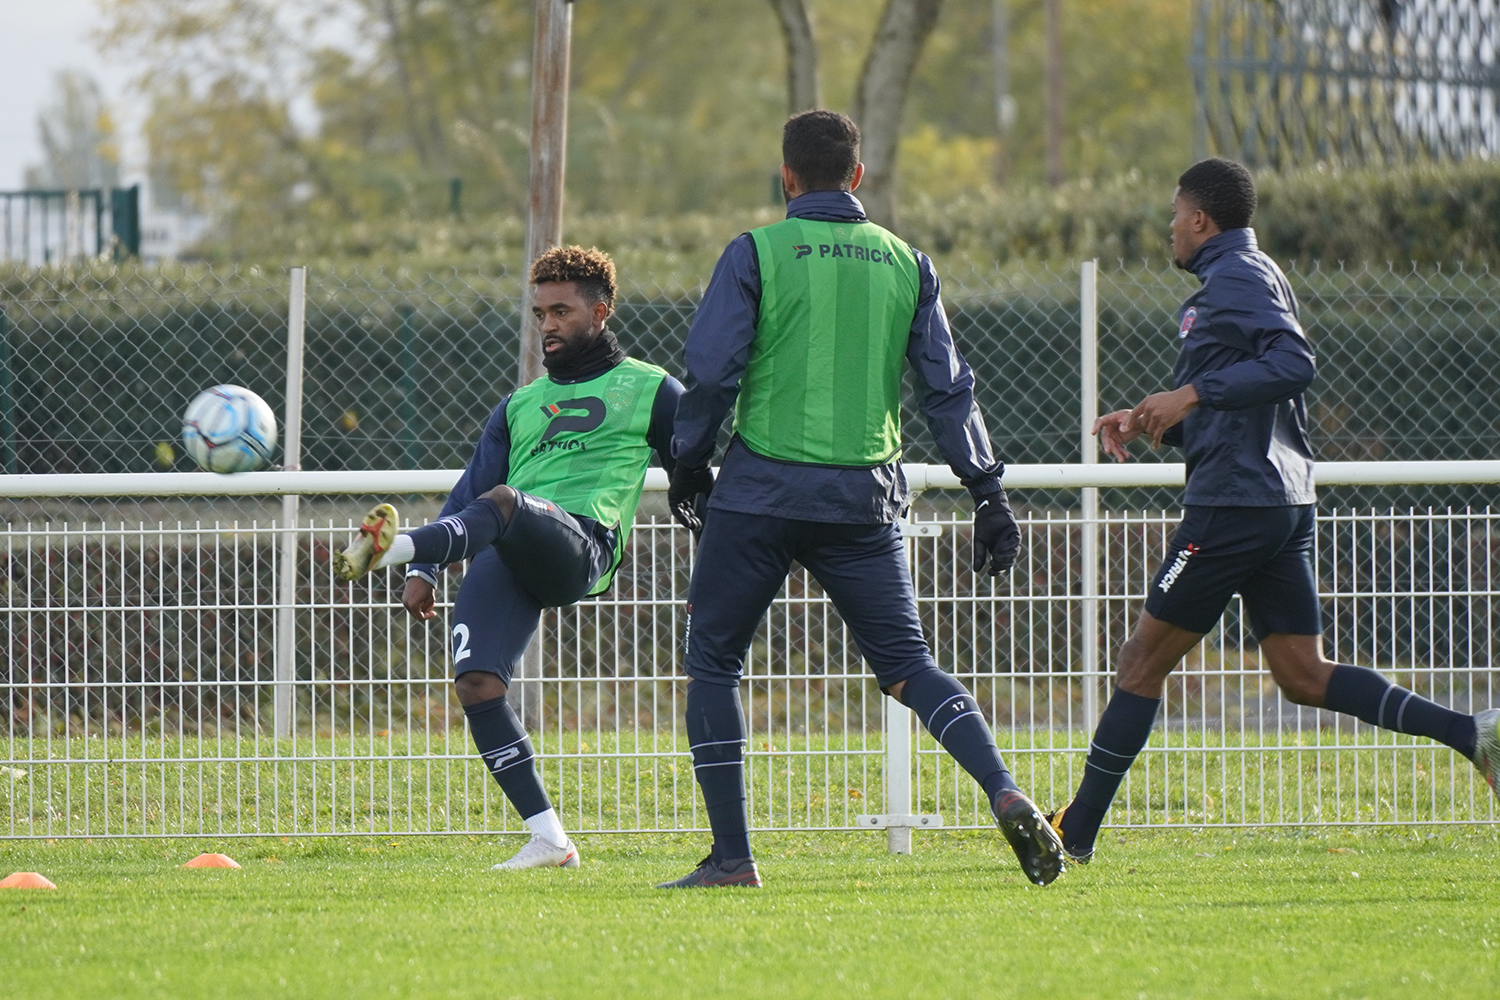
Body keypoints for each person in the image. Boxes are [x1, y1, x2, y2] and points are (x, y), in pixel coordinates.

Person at [655, 110, 1066, 890]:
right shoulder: (907, 262)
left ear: (786, 177)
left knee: (715, 665)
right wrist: (987, 492)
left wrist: (687, 464)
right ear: (857, 177)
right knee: (910, 667)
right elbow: (948, 391)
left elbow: (711, 374)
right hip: (864, 500)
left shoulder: (756, 252)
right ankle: (1006, 790)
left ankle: (733, 859)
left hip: (759, 496)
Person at [1048, 158, 1500, 864]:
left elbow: (1294, 364)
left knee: (1139, 663)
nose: (1169, 227)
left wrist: (1190, 397)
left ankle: (1074, 834)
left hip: (1236, 504)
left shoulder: (1237, 276)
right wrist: (1151, 417)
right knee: (1302, 675)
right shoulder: (1247, 275)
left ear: (1201, 219)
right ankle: (1474, 735)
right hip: (1277, 501)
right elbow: (1247, 394)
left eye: (1175, 215)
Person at [334, 246, 684, 871]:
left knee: (505, 502)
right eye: (540, 313)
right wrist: (425, 573)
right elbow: (470, 490)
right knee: (476, 683)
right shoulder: (518, 406)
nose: (548, 324)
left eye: (562, 311)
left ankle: (398, 544)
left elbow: (698, 466)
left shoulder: (651, 388)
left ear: (600, 312)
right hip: (509, 535)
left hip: (580, 543)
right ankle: (550, 839)